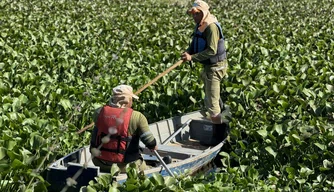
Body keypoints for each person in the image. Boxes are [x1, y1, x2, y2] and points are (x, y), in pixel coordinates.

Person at [90, 84, 158, 173]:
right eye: (131, 99)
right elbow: (151, 143)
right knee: (145, 167)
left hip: (99, 163)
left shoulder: (98, 112)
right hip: (125, 167)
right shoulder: (137, 117)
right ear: (127, 100)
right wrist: (154, 146)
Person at [181, 0, 228, 125]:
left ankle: (218, 133)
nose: (194, 17)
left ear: (204, 13)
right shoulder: (200, 24)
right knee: (211, 94)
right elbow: (194, 42)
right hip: (208, 66)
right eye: (193, 14)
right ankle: (224, 112)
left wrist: (192, 58)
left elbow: (212, 50)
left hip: (216, 67)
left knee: (212, 104)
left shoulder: (211, 27)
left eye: (197, 14)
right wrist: (188, 53)